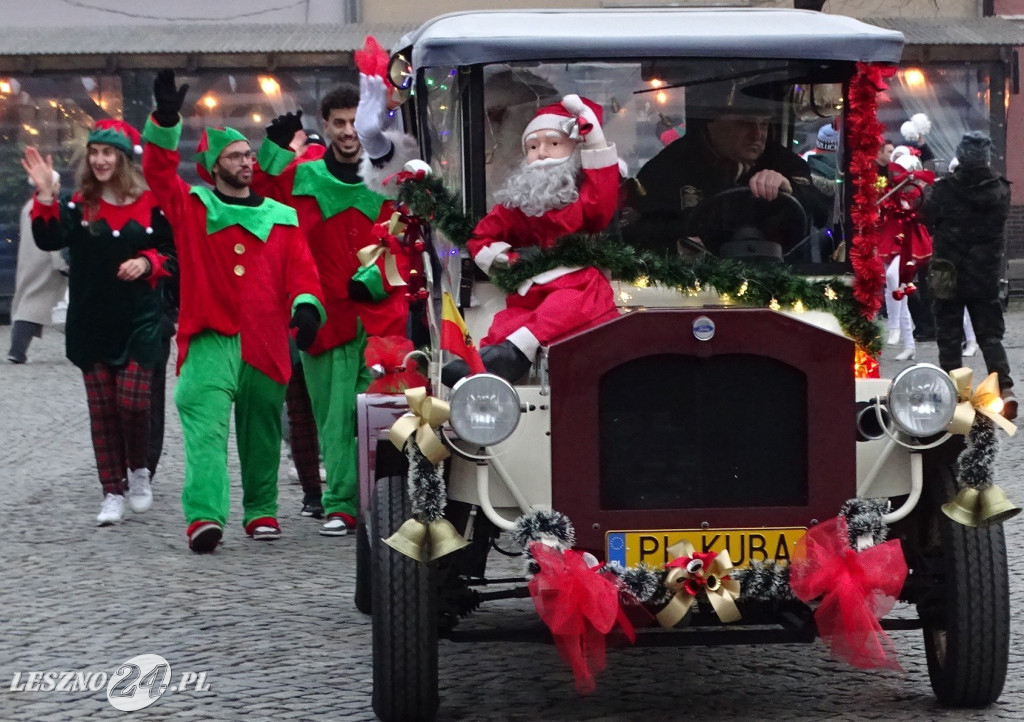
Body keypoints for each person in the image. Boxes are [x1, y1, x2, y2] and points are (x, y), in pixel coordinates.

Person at [142, 69, 325, 552]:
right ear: (213, 165)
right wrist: (165, 122)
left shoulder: (281, 218)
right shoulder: (193, 207)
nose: (246, 161)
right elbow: (158, 174)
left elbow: (302, 274)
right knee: (204, 427)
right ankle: (205, 517)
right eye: (235, 156)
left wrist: (306, 308)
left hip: (266, 339)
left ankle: (261, 510)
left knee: (261, 429)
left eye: (248, 154)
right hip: (208, 338)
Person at [253, 80, 416, 537]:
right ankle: (342, 504)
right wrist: (273, 149)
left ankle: (388, 501)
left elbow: (408, 240)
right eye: (338, 123)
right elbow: (258, 193)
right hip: (323, 318)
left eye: (353, 122)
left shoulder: (392, 178)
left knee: (387, 413)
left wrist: (376, 279)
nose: (347, 132)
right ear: (324, 126)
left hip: (381, 315)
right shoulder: (302, 178)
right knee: (333, 417)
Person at [22, 119, 176, 526]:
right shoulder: (79, 205)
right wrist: (46, 193)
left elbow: (172, 253)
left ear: (123, 158)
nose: (100, 160)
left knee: (133, 402)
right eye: (94, 153)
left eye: (108, 153)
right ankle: (112, 490)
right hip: (92, 321)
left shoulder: (152, 203)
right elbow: (49, 238)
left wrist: (147, 263)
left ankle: (138, 469)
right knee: (103, 410)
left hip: (140, 320)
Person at [436, 94, 621, 385]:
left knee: (564, 306)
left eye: (554, 144)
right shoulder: (517, 206)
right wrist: (510, 261)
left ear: (576, 150)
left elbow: (602, 196)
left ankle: (512, 354)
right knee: (507, 322)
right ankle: (483, 365)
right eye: (533, 147)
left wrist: (595, 139)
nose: (542, 154)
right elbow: (482, 237)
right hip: (530, 288)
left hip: (577, 282)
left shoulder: (583, 202)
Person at [624, 84, 829, 256]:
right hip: (694, 280)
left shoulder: (782, 162)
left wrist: (791, 189)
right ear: (712, 122)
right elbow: (638, 231)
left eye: (764, 125)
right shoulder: (669, 167)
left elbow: (820, 214)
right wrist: (676, 243)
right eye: (744, 123)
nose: (757, 135)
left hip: (778, 275)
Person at [921, 131, 1016, 419]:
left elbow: (927, 217)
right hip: (984, 274)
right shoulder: (1001, 190)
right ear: (986, 157)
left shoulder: (943, 189)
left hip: (948, 273)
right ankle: (1005, 389)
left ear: (961, 156)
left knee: (949, 338)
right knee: (990, 336)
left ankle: (956, 396)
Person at [877, 146, 933, 361]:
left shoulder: (915, 192)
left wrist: (912, 188)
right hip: (890, 237)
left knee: (893, 277)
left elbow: (920, 206)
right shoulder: (888, 190)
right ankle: (909, 344)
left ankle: (894, 325)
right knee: (898, 289)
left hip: (908, 239)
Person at [7, 171, 68, 364]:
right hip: (47, 263)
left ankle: (17, 350)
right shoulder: (47, 207)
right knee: (36, 306)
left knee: (31, 303)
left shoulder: (29, 206)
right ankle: (17, 351)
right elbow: (53, 237)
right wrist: (63, 263)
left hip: (32, 261)